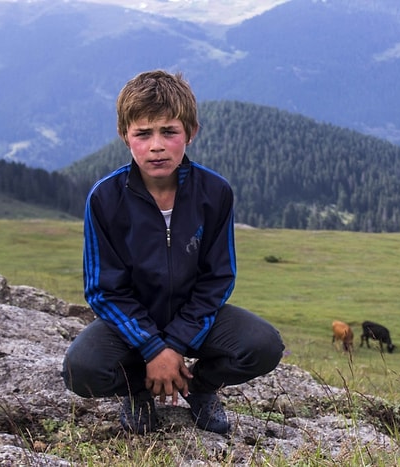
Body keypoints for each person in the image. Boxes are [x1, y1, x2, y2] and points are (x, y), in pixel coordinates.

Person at [62, 70, 284, 435]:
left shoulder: (214, 193)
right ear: (124, 136)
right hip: (131, 326)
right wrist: (152, 348)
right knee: (79, 369)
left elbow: (218, 278)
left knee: (263, 345)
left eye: (169, 131)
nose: (157, 145)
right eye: (143, 133)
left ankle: (200, 388)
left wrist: (176, 344)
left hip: (194, 320)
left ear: (191, 132)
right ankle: (137, 391)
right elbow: (103, 289)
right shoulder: (105, 199)